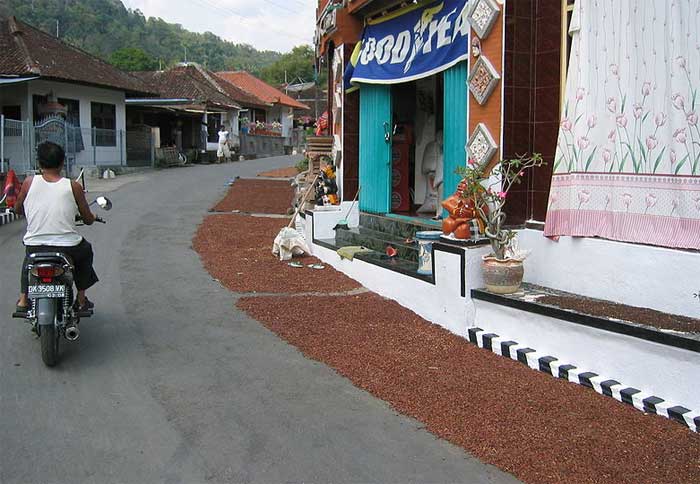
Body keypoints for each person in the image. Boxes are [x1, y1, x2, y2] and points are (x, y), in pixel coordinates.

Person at [14, 142, 99, 314]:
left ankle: (23, 300)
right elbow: (88, 218)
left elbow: (17, 209)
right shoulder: (73, 186)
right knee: (86, 251)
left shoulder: (29, 183)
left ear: (39, 164)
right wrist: (93, 217)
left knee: (28, 262)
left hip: (35, 244)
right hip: (68, 246)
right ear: (62, 163)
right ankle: (81, 300)